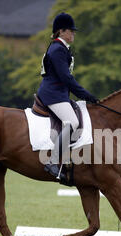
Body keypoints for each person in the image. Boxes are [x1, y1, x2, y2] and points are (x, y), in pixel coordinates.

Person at [37, 12, 98, 180]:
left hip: (59, 94)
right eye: (70, 31)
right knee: (73, 122)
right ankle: (53, 161)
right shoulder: (57, 49)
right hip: (53, 94)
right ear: (61, 31)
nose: (73, 34)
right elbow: (65, 77)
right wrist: (85, 94)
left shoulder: (61, 48)